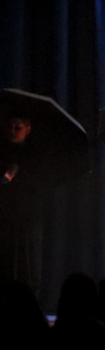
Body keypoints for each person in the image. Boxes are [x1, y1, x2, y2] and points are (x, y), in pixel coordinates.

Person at [0, 114, 43, 291]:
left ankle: (29, 296)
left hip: (28, 213)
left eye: (18, 127)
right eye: (10, 126)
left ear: (27, 129)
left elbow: (41, 183)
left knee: (28, 256)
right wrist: (6, 176)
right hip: (5, 211)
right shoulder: (2, 150)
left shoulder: (35, 154)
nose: (12, 131)